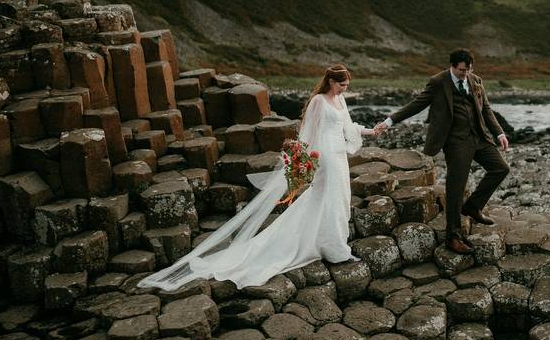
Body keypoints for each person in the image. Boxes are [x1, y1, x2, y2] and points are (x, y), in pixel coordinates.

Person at [139, 64, 375, 291]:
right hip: (326, 158)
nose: (345, 88)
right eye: (342, 84)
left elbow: (348, 126)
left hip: (340, 155)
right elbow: (308, 131)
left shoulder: (340, 99)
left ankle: (331, 242)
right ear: (331, 81)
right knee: (329, 198)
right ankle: (336, 251)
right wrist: (302, 158)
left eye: (346, 84)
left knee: (340, 197)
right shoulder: (318, 101)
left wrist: (370, 131)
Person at [375, 49, 510, 254]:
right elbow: (416, 104)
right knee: (456, 186)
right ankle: (452, 237)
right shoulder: (438, 82)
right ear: (453, 66)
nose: (466, 73)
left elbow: (486, 110)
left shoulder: (476, 80)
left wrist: (499, 133)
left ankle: (473, 206)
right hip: (456, 141)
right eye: (462, 70)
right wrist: (389, 121)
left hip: (479, 137)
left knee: (500, 168)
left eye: (469, 69)